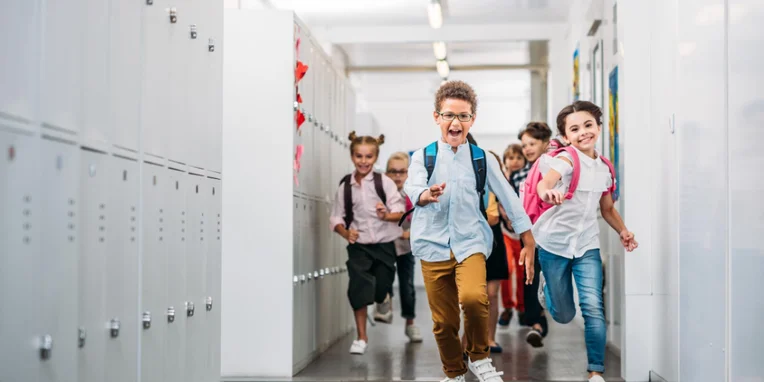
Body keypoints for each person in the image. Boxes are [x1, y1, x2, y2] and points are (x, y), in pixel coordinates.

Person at [404, 80, 536, 382]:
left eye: (463, 116)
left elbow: (509, 198)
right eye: (449, 115)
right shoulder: (423, 156)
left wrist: (528, 237)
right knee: (443, 321)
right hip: (432, 244)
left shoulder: (482, 159)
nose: (456, 122)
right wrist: (426, 194)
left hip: (471, 242)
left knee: (476, 299)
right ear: (437, 117)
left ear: (472, 119)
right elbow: (413, 187)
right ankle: (454, 372)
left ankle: (479, 356)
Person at [534, 101, 638, 382]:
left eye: (588, 125)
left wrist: (623, 231)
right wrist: (547, 193)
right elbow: (545, 183)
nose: (583, 132)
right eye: (575, 129)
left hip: (586, 244)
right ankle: (548, 288)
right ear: (566, 136)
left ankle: (595, 371)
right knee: (565, 315)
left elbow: (606, 209)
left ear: (598, 128)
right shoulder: (566, 160)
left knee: (593, 306)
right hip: (554, 243)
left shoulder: (604, 167)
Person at [329, 132, 405, 355]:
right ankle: (361, 337)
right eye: (359, 156)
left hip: (384, 244)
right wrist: (345, 233)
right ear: (352, 156)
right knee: (358, 287)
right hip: (359, 244)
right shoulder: (346, 186)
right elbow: (336, 217)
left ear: (375, 157)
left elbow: (400, 211)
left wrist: (386, 214)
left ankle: (383, 298)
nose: (364, 161)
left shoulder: (385, 183)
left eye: (368, 157)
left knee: (382, 286)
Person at [515, 122, 553, 347]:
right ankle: (537, 325)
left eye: (532, 143)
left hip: (550, 235)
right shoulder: (520, 175)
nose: (527, 148)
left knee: (549, 282)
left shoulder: (553, 168)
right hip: (529, 236)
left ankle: (542, 320)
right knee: (530, 279)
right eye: (524, 145)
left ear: (545, 144)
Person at [384, 151, 423, 342]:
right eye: (393, 171)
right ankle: (386, 307)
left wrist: (411, 232)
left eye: (402, 171)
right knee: (384, 279)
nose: (397, 176)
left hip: (405, 246)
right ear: (386, 173)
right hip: (385, 244)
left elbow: (421, 218)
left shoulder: (413, 194)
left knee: (406, 285)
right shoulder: (381, 192)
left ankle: (410, 323)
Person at [498, 144, 527, 327]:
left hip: (523, 233)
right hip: (505, 231)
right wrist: (505, 216)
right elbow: (498, 200)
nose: (515, 161)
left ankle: (521, 308)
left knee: (522, 271)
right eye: (511, 158)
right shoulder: (501, 179)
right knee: (506, 269)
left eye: (518, 158)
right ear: (505, 161)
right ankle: (507, 307)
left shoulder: (526, 179)